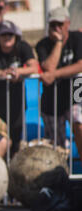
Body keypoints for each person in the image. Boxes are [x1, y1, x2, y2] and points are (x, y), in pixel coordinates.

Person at [0, 20, 38, 155]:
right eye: (3, 34)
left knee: (15, 138)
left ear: (16, 36)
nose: (7, 37)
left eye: (10, 34)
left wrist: (18, 72)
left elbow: (34, 67)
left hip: (17, 102)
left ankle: (12, 172)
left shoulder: (22, 46)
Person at [36, 6, 82, 163]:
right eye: (53, 24)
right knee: (58, 147)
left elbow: (80, 65)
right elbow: (49, 67)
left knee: (79, 123)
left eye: (60, 24)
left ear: (68, 23)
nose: (56, 28)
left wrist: (54, 75)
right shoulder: (42, 44)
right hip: (52, 102)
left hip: (76, 94)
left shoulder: (78, 38)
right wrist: (58, 43)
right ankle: (61, 179)